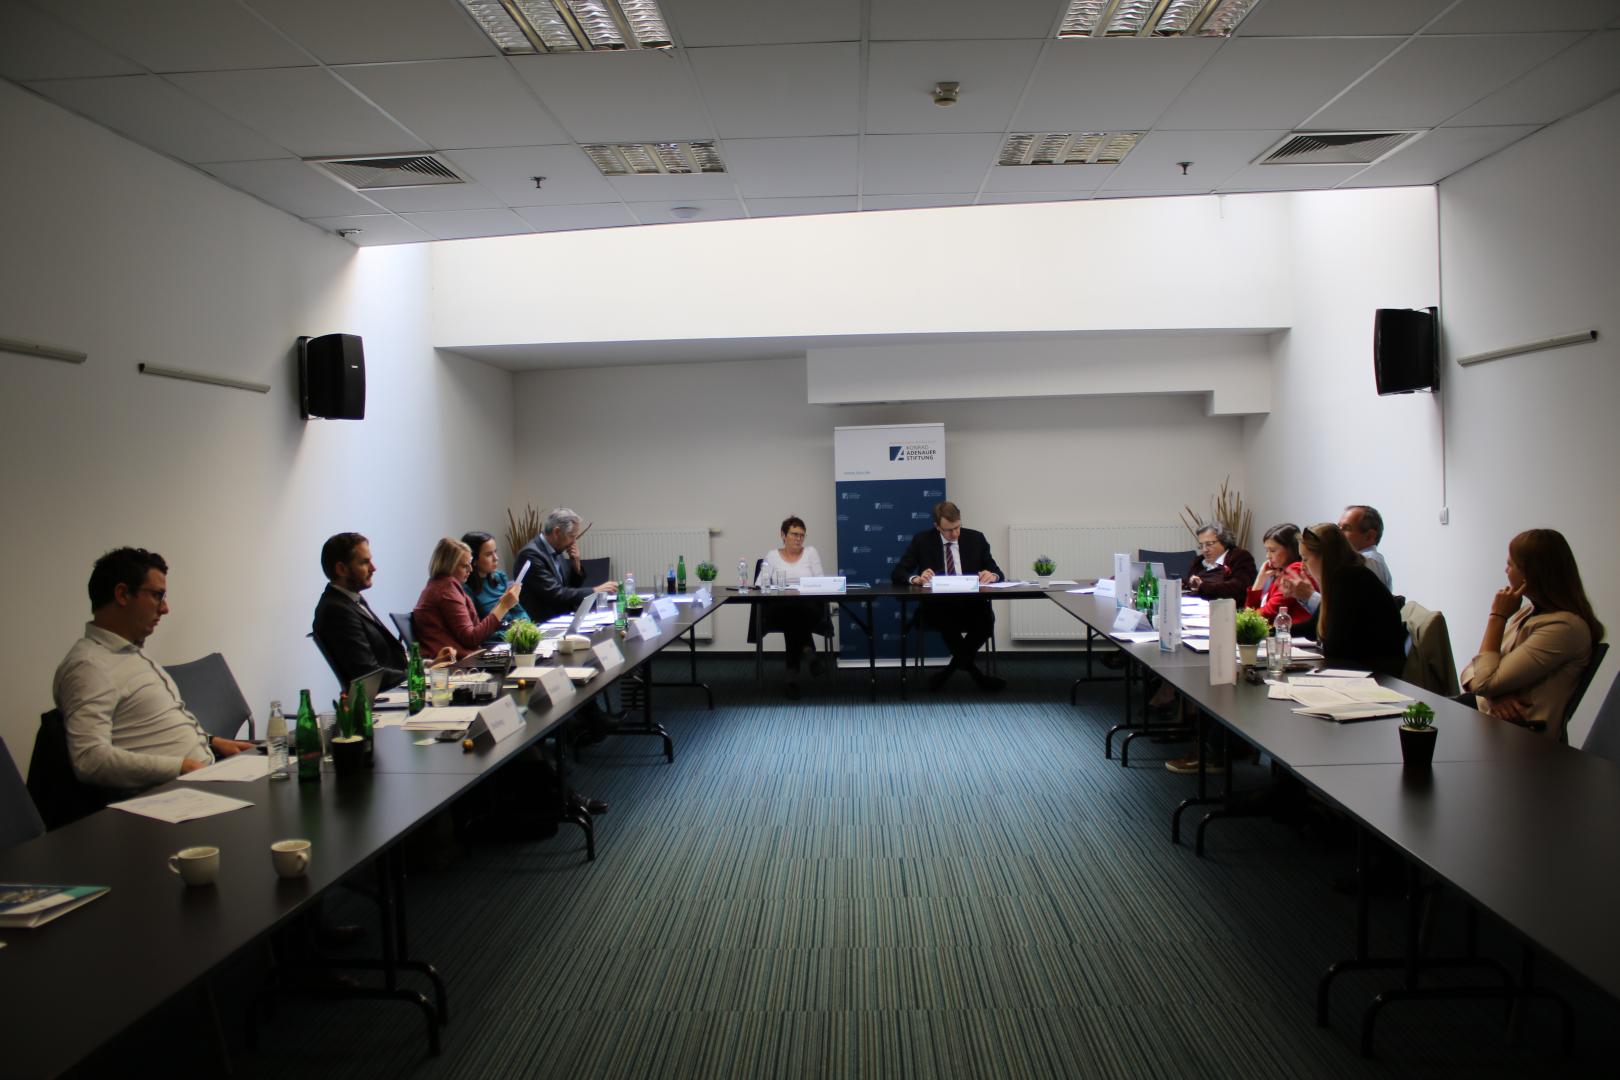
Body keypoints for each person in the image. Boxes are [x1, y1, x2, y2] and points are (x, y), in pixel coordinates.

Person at [53, 547, 253, 790]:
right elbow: (90, 760)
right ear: (122, 594)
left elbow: (148, 729)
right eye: (157, 596)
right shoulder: (89, 666)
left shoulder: (127, 653)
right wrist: (181, 767)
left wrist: (211, 742)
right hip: (171, 794)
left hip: (202, 777)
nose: (165, 608)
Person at [1460, 528, 1603, 740]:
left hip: (1522, 739)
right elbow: (1471, 670)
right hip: (1491, 720)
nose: (1505, 570)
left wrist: (1497, 617)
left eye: (1510, 565)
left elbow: (1483, 682)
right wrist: (1494, 696)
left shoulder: (1564, 628)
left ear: (1530, 574)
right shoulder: (1528, 611)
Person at [891, 500, 1007, 691]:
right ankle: (978, 677)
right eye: (949, 530)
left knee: (986, 621)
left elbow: (997, 571)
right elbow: (898, 572)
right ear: (937, 527)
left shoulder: (976, 538)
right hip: (937, 606)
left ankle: (945, 674)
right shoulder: (922, 541)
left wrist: (992, 575)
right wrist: (916, 578)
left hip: (971, 606)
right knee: (946, 621)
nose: (955, 534)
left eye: (958, 527)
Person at [1298, 522, 1406, 676]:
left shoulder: (1349, 581)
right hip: (1358, 667)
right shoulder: (1342, 578)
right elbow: (1311, 628)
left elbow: (1336, 645)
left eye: (1305, 559)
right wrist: (1270, 632)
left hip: (1375, 673)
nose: (1302, 566)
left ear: (1324, 557)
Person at [312, 532, 410, 690]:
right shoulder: (336, 611)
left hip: (394, 690)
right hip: (382, 698)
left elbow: (386, 658)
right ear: (341, 569)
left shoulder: (351, 600)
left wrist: (424, 665)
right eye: (365, 562)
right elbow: (368, 674)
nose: (373, 568)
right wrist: (419, 674)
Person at [413, 537, 524, 660]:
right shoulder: (446, 590)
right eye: (464, 566)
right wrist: (504, 606)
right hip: (457, 662)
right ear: (449, 566)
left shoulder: (442, 585)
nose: (470, 569)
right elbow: (472, 638)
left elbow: (477, 631)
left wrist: (502, 603)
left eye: (470, 564)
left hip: (464, 657)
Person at [754, 516, 828, 699]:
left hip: (809, 608)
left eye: (802, 535)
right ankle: (808, 652)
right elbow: (760, 584)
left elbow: (821, 582)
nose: (798, 538)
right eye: (794, 534)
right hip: (780, 609)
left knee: (794, 616)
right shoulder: (772, 556)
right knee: (791, 612)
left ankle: (791, 678)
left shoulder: (811, 553)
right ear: (783, 535)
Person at [513, 508, 617, 622]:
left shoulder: (555, 548)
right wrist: (595, 591)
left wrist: (576, 566)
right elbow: (556, 594)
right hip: (544, 622)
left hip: (563, 618)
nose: (574, 542)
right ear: (556, 532)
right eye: (571, 536)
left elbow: (568, 588)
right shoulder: (530, 555)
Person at [1244, 523, 1314, 625]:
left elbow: (1259, 617)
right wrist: (1260, 580)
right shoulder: (1281, 572)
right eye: (1267, 550)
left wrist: (1259, 581)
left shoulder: (1295, 571)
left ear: (1291, 549)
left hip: (1296, 633)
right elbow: (1250, 616)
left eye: (1272, 550)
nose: (1268, 556)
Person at [462, 530, 531, 630]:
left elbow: (518, 610)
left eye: (495, 552)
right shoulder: (466, 590)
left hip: (516, 631)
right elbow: (478, 629)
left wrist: (524, 622)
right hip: (496, 636)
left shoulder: (500, 577)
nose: (496, 558)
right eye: (488, 554)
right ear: (474, 560)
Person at [1183, 524, 1257, 603]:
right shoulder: (1199, 561)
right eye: (1201, 545)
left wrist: (1203, 587)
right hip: (1195, 603)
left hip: (1223, 606)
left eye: (1209, 544)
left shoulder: (1240, 557)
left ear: (1224, 542)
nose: (1204, 550)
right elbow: (1190, 583)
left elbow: (1239, 588)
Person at [1339, 504, 1393, 592]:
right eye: (1338, 527)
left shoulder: (1368, 561)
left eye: (1346, 528)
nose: (1338, 533)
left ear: (1369, 536)